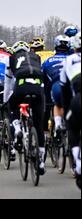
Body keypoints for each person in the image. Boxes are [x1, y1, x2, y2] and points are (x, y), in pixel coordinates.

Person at [6, 40, 46, 175]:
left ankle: (17, 128)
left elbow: (8, 81)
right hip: (37, 86)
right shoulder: (36, 56)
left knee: (12, 106)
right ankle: (41, 161)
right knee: (39, 125)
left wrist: (7, 100)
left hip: (21, 86)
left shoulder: (11, 58)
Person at [60, 32, 81, 188]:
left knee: (72, 127)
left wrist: (67, 112)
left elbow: (64, 89)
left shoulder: (69, 59)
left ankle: (78, 163)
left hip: (77, 98)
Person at [42, 35, 71, 135]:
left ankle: (48, 130)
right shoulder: (72, 59)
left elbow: (44, 81)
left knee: (49, 104)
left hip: (55, 87)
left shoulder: (47, 61)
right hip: (70, 88)